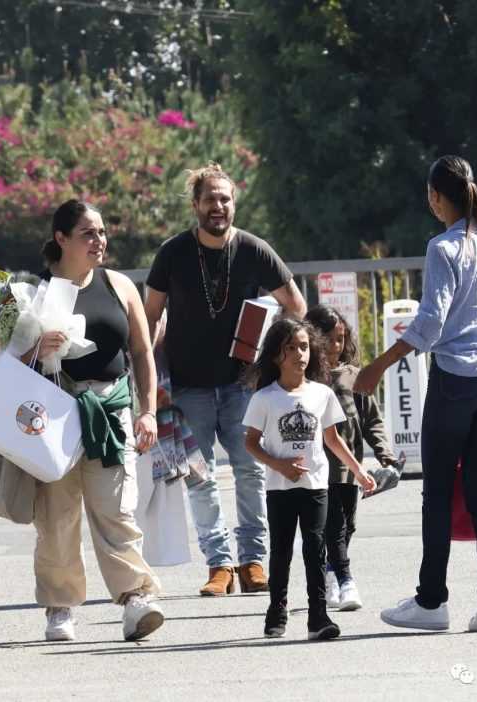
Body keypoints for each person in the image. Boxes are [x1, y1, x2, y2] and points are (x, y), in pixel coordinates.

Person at [355, 155, 477, 633]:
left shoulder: (443, 248)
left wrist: (377, 367)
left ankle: (431, 602)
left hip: (457, 380)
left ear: (435, 197)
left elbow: (429, 324)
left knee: (438, 493)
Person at [144, 163, 307, 596]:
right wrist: (152, 378)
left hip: (243, 387)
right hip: (187, 386)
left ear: (234, 203)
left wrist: (270, 349)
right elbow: (150, 317)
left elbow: (296, 307)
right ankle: (219, 566)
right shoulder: (173, 252)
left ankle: (252, 561)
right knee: (200, 478)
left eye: (225, 198)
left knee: (250, 472)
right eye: (209, 199)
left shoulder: (254, 249)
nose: (217, 206)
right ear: (195, 205)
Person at [25, 199, 163, 642]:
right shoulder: (34, 292)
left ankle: (136, 598)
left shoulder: (119, 284)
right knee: (57, 515)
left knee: (117, 509)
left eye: (102, 232)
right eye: (88, 233)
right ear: (61, 238)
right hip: (53, 414)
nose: (99, 240)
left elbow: (141, 351)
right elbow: (6, 361)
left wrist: (148, 411)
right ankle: (59, 607)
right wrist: (35, 348)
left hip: (111, 408)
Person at [243, 318, 376, 640]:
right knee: (281, 551)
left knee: (316, 550)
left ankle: (318, 616)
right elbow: (251, 443)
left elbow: (332, 439)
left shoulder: (322, 394)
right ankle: (277, 610)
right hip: (280, 488)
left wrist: (358, 471)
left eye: (304, 347)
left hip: (316, 486)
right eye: (290, 347)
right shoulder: (264, 398)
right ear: (276, 355)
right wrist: (279, 465)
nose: (299, 354)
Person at [305, 305, 399, 611]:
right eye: (329, 339)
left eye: (341, 338)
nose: (336, 346)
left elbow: (372, 420)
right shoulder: (306, 379)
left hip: (350, 468)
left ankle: (330, 572)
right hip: (320, 468)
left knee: (348, 525)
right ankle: (344, 580)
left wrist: (385, 456)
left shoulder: (353, 376)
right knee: (334, 526)